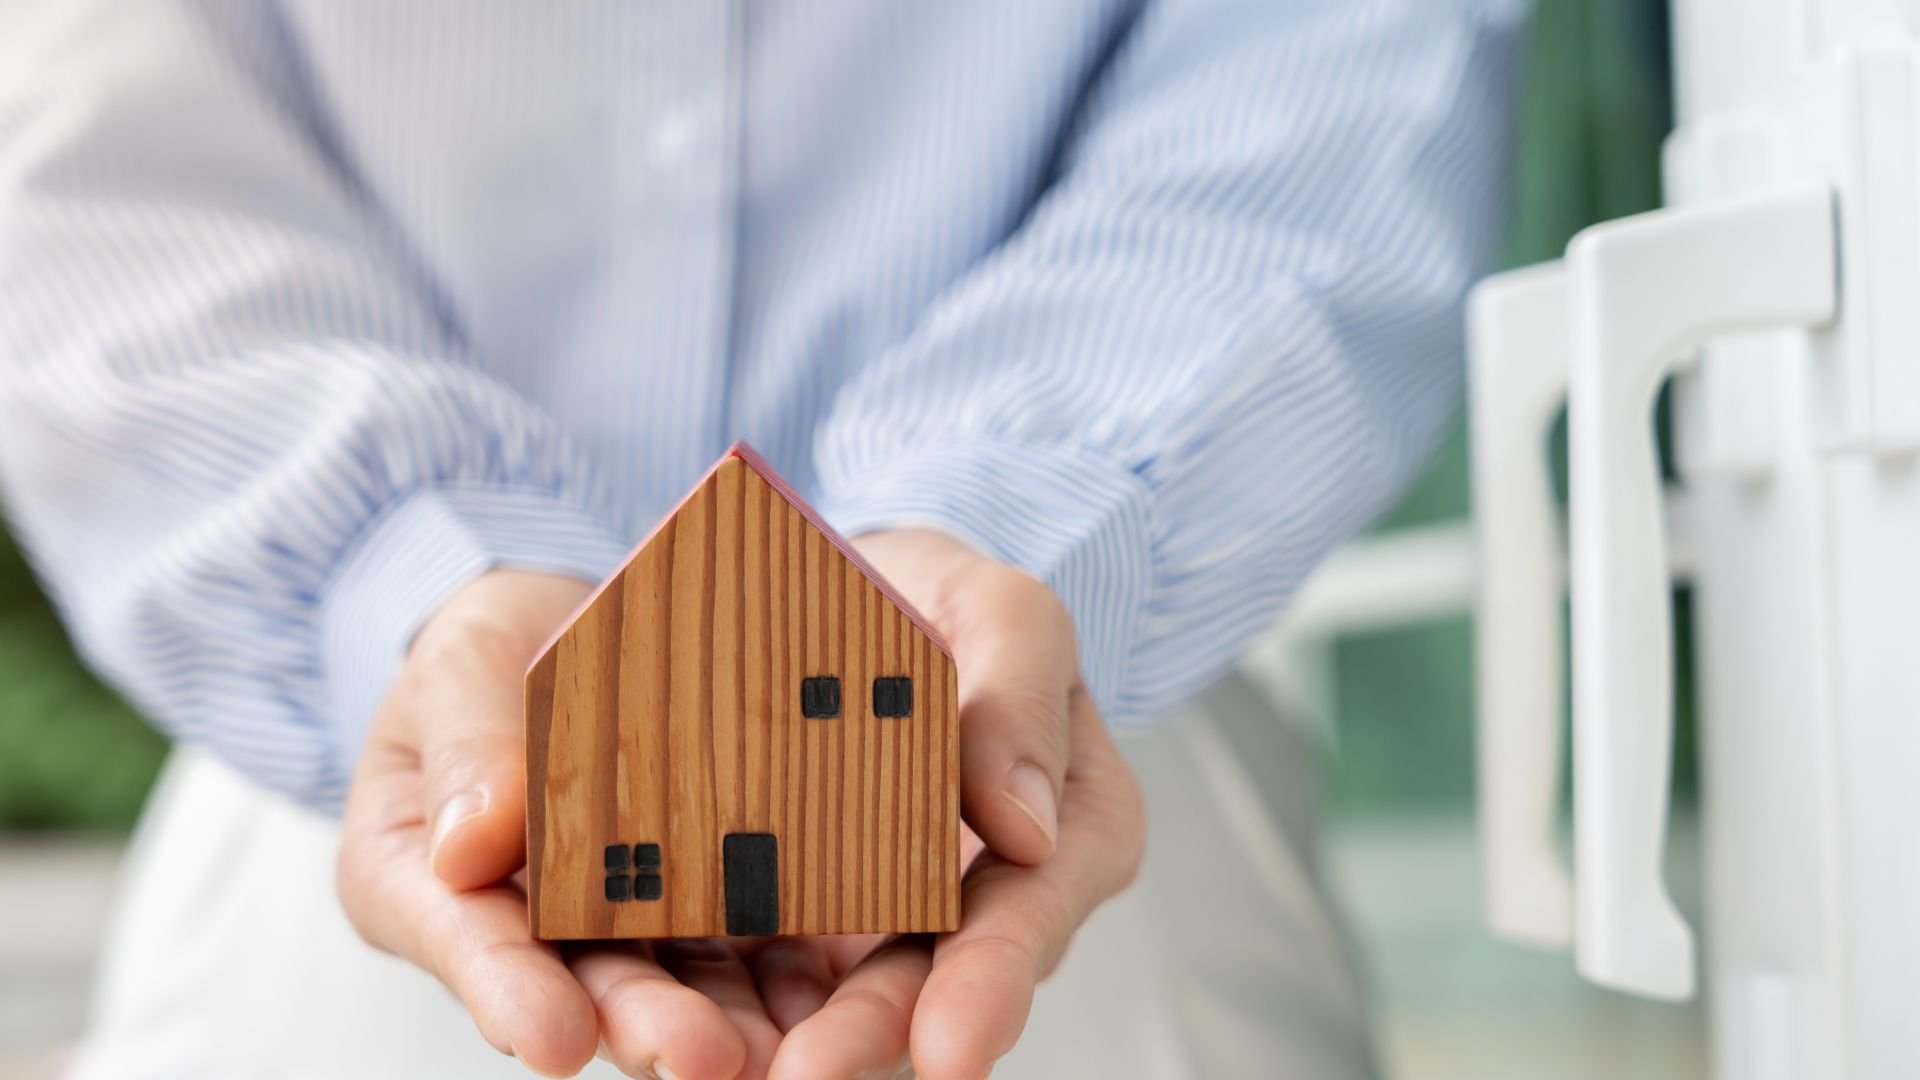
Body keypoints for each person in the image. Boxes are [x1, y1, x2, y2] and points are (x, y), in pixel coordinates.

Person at [0, 1, 1521, 1077]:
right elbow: (76, 145)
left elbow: (1338, 74)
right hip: (367, 780)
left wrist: (1011, 515)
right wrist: (409, 566)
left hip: (1057, 757)